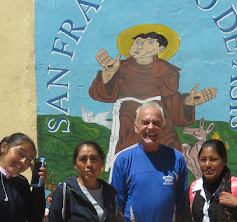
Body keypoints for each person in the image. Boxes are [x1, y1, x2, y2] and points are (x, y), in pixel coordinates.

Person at [90, 29, 216, 170]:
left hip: (160, 127)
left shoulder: (167, 71)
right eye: (138, 41)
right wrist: (109, 72)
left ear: (160, 48)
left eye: (149, 42)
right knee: (128, 165)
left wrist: (188, 102)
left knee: (165, 165)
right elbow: (101, 95)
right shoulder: (119, 67)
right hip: (129, 124)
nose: (140, 45)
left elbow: (171, 103)